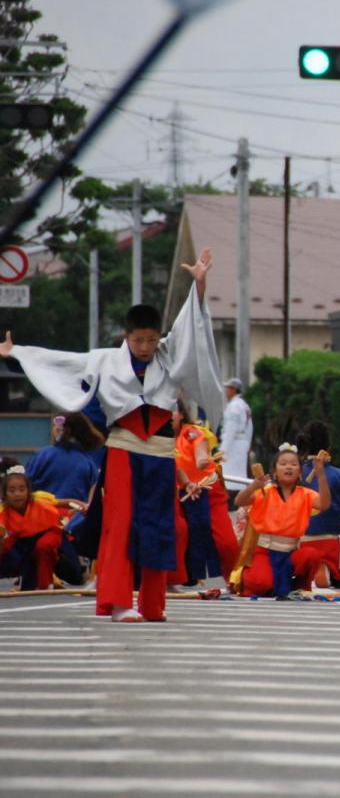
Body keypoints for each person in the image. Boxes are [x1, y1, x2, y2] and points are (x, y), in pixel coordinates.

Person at [0, 248, 224, 622]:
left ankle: (153, 603)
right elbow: (60, 361)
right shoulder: (105, 359)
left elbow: (190, 329)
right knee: (119, 524)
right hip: (123, 451)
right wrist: (16, 353)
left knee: (160, 524)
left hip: (161, 454)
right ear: (127, 336)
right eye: (139, 340)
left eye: (152, 340)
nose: (147, 347)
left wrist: (198, 287)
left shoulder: (168, 355)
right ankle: (119, 601)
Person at [234, 443, 331, 597]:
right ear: (274, 472)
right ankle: (254, 576)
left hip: (289, 552)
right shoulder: (265, 492)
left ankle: (297, 585)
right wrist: (253, 486)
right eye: (283, 464)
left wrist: (321, 476)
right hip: (264, 551)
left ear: (299, 472)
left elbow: (324, 504)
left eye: (294, 464)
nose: (289, 467)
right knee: (261, 584)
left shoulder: (305, 494)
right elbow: (239, 501)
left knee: (311, 555)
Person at [24, 412, 104, 585]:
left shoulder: (43, 455)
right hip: (72, 522)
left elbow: (24, 491)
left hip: (38, 519)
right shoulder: (88, 462)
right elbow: (90, 501)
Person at [170, 403, 239, 589]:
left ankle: (235, 578)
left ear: (182, 414)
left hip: (207, 491)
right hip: (176, 495)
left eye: (172, 410)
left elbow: (200, 451)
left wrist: (202, 460)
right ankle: (175, 578)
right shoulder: (158, 438)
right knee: (179, 532)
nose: (168, 415)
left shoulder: (190, 432)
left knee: (226, 543)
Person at [294, 420, 340, 589]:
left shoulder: (294, 474)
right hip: (331, 544)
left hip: (298, 543)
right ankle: (327, 568)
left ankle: (311, 570)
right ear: (328, 447)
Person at [0, 464, 69, 591]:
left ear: (28, 490)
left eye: (22, 489)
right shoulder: (3, 510)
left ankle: (46, 584)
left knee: (44, 546)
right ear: (5, 494)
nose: (17, 494)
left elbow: (67, 502)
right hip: (25, 540)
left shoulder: (40, 499)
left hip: (50, 531)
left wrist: (84, 507)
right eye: (12, 490)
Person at [220, 377, 253, 482]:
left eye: (228, 388)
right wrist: (248, 444)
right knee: (240, 473)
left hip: (233, 444)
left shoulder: (234, 406)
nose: (226, 391)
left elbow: (231, 429)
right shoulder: (244, 405)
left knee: (229, 474)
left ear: (233, 389)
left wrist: (223, 451)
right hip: (242, 443)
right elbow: (250, 427)